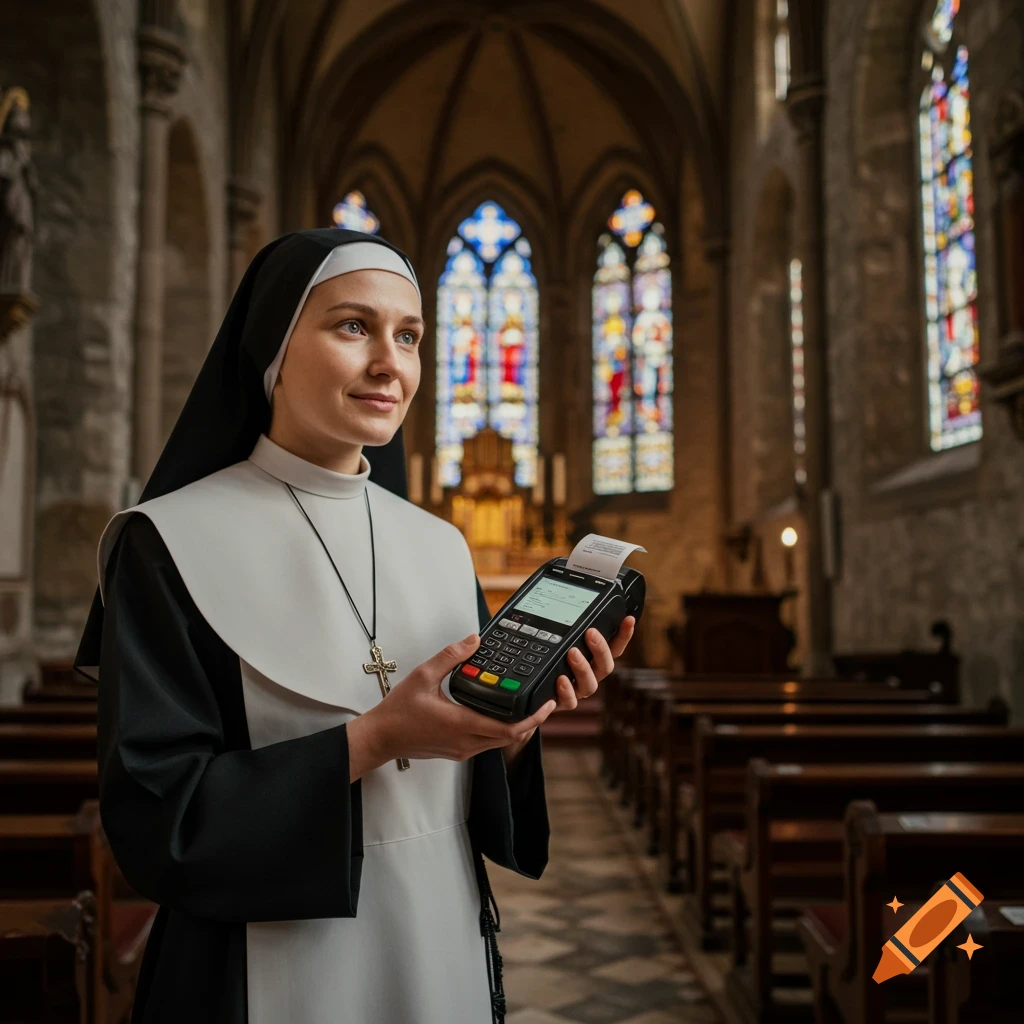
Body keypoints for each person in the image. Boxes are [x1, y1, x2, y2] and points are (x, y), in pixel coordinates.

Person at [74, 228, 635, 1024]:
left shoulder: (440, 545)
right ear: (272, 345)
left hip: (438, 940)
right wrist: (372, 740)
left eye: (408, 335)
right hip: (256, 966)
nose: (390, 362)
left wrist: (512, 733)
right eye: (352, 327)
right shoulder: (164, 542)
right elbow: (157, 819)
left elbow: (460, 780)